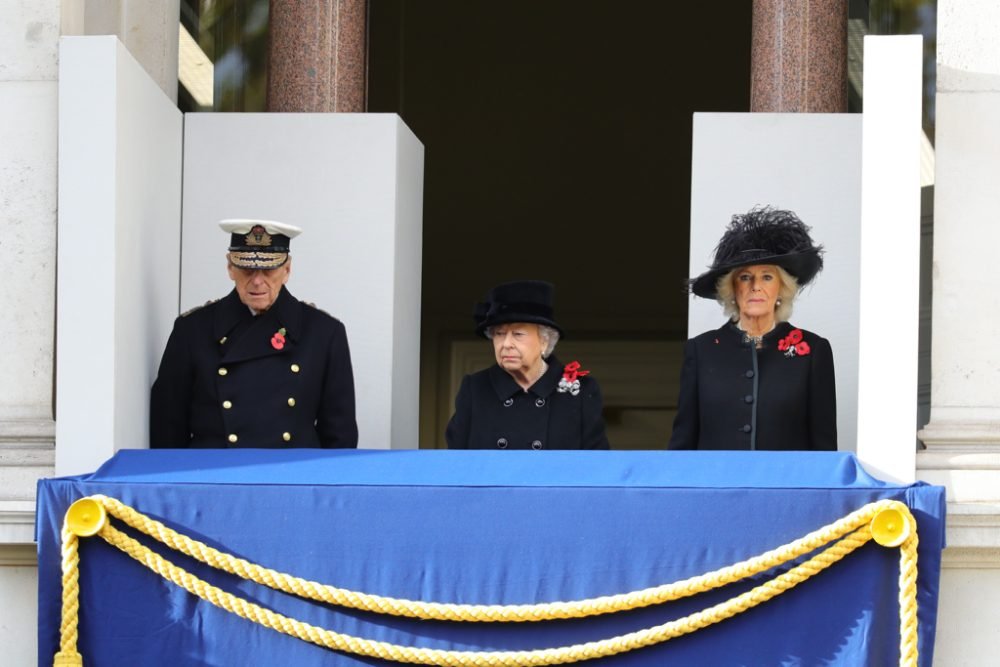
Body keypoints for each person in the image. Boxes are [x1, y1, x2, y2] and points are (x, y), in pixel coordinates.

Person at [150, 219, 358, 448]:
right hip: (214, 477)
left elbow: (340, 436)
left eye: (269, 269)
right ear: (230, 268)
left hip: (291, 477)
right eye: (247, 269)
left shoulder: (324, 333)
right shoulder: (193, 330)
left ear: (287, 269)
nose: (257, 281)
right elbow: (167, 428)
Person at [668, 207, 836, 451]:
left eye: (767, 277)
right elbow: (683, 443)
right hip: (718, 487)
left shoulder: (813, 351)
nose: (756, 286)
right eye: (745, 277)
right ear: (732, 289)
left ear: (781, 288)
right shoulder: (701, 350)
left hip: (785, 487)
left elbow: (824, 450)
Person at [446, 280, 610, 450]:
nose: (506, 343)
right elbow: (456, 463)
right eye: (499, 334)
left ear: (544, 341)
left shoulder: (580, 391)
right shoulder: (475, 388)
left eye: (518, 334)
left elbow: (596, 466)